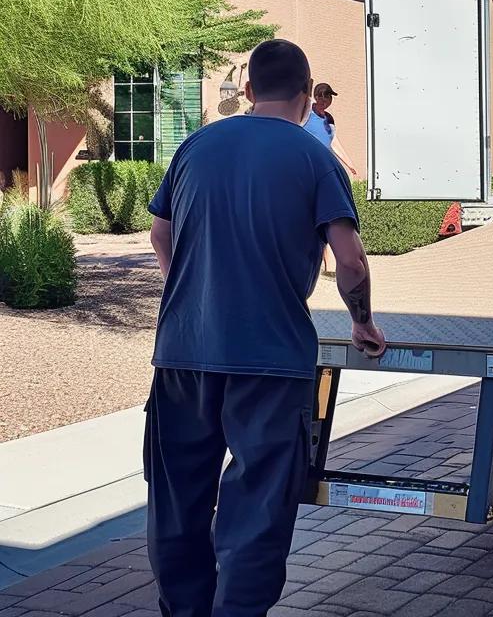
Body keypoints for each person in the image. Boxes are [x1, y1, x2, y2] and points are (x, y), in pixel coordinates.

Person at [145, 39, 386, 617]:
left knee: (176, 502)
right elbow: (349, 261)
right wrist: (362, 322)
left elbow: (160, 230)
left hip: (183, 354)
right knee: (257, 510)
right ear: (307, 98)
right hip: (272, 362)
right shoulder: (316, 159)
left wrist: (188, 288)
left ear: (248, 91)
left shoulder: (196, 146)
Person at [304, 81, 359, 177]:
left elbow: (333, 142)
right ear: (315, 97)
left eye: (328, 97)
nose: (324, 101)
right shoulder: (306, 113)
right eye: (321, 97)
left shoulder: (329, 118)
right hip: (307, 164)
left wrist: (350, 164)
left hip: (323, 165)